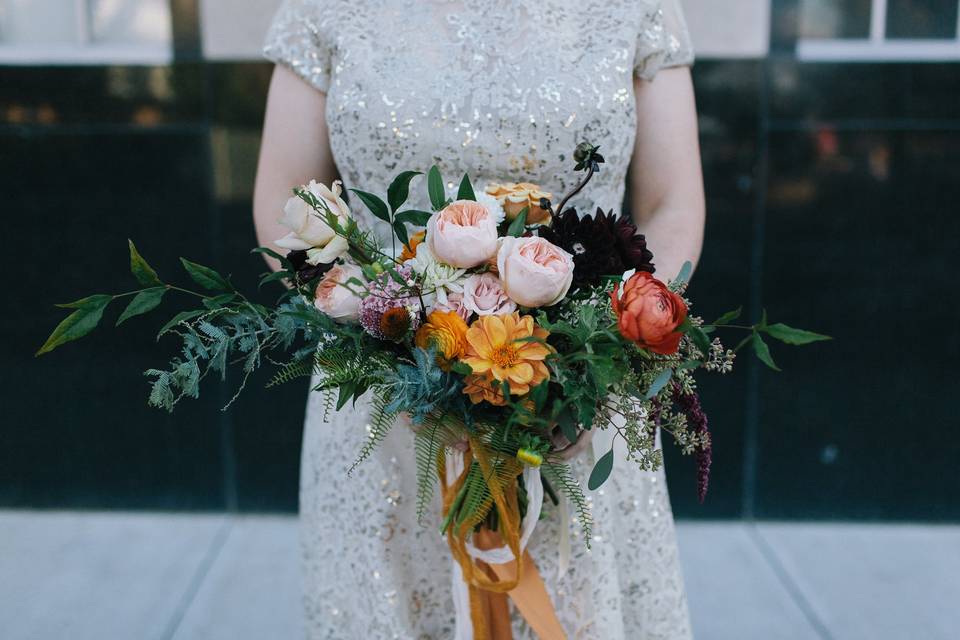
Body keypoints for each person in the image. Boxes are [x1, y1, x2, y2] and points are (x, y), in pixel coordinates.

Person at [253, 1, 705, 637]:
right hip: (382, 397)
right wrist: (387, 339)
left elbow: (672, 204)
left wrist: (594, 363)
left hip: (579, 399)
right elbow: (284, 200)